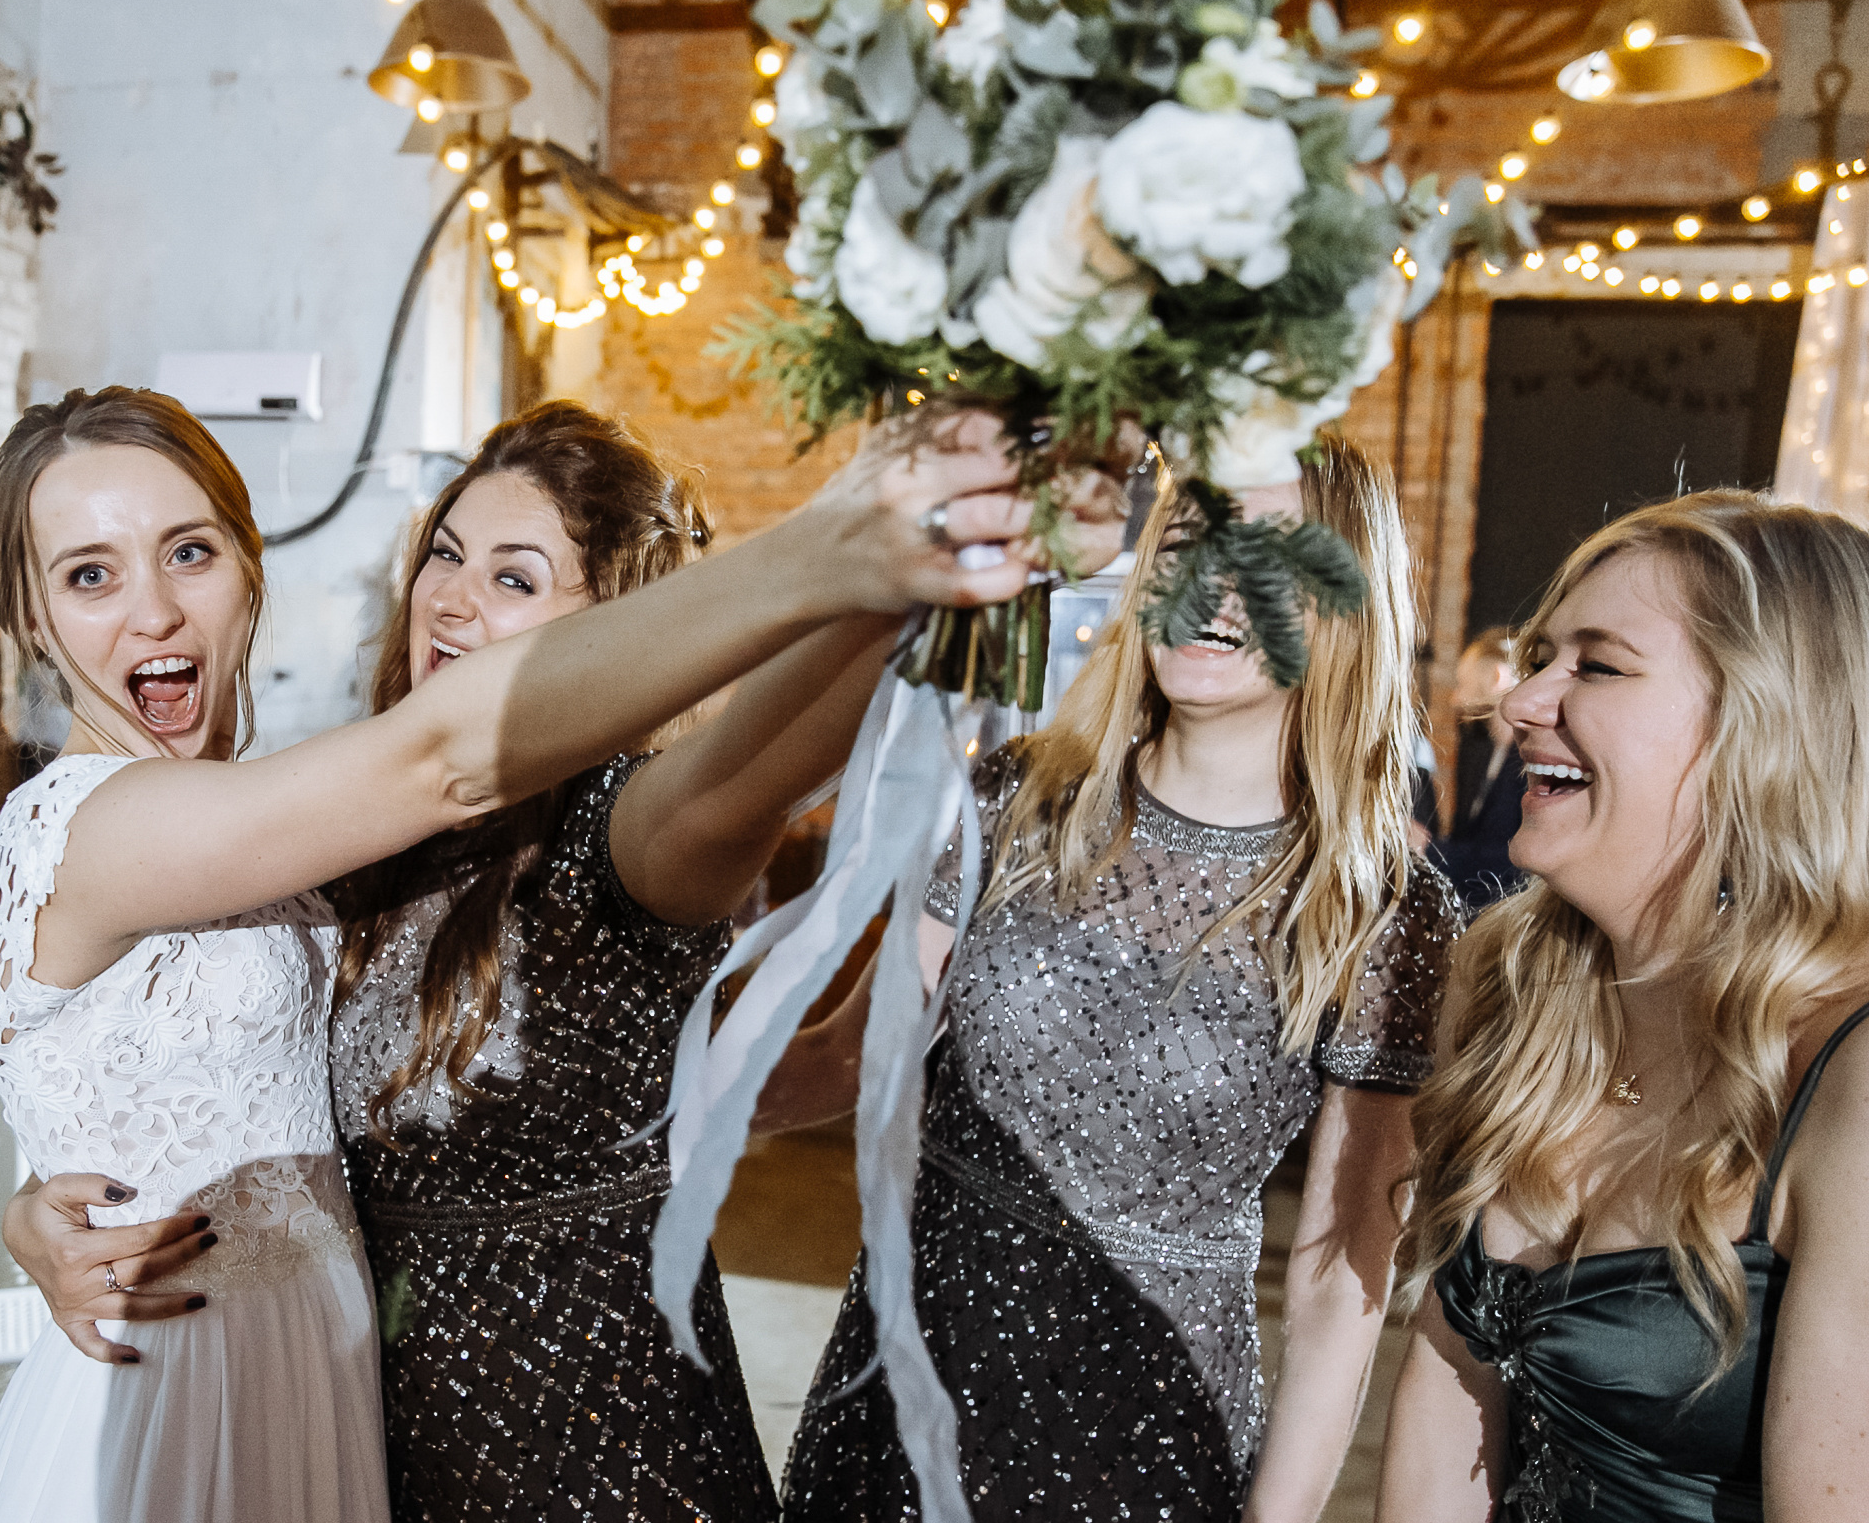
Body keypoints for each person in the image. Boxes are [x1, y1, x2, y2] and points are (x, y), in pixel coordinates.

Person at [0, 386, 1037, 1523]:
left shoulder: (355, 831)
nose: (155, 614)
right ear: (28, 617)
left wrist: (920, 582)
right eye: (89, 575)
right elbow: (442, 757)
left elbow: (744, 774)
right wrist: (847, 541)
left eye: (189, 553)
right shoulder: (124, 821)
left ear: (248, 566)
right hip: (189, 1415)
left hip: (503, 1433)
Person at [761, 442, 1462, 1521]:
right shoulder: (1012, 801)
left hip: (1144, 1444)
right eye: (1188, 544)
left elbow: (1337, 1280)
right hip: (897, 1417)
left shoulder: (1376, 910)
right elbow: (847, 1056)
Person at [1380, 492, 1869, 1523]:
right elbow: (1445, 1415)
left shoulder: (1852, 1072)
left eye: (1595, 666)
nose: (1520, 703)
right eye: (1539, 653)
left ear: (1768, 726)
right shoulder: (1510, 983)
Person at [1426, 625, 1524, 911]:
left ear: (1496, 677)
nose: (1456, 698)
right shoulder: (1491, 755)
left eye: (1463, 683)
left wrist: (1428, 850)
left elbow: (1512, 864)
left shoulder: (1526, 763)